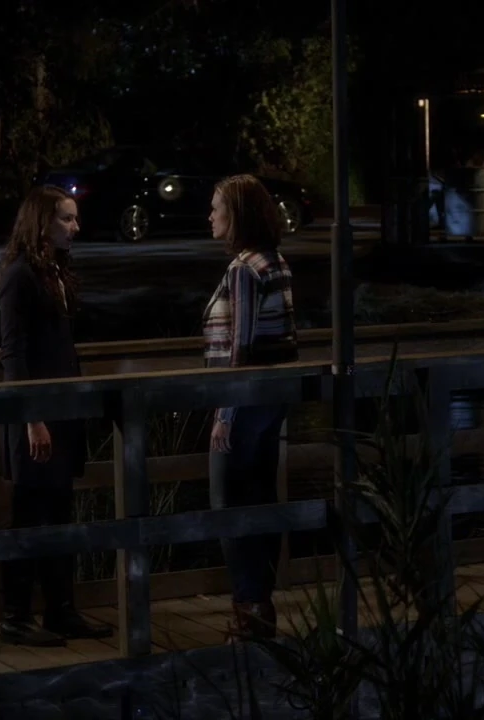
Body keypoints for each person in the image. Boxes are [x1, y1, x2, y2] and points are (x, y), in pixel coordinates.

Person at [0, 184, 112, 646]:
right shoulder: (19, 275)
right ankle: (15, 616)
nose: (75, 227)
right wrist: (32, 417)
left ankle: (60, 610)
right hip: (38, 414)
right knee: (29, 514)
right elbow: (14, 352)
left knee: (60, 510)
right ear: (42, 222)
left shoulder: (55, 271)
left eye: (74, 218)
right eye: (66, 218)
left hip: (63, 410)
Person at [203, 174, 299, 641]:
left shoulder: (244, 269)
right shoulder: (275, 261)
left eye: (217, 207)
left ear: (236, 214)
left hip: (243, 401)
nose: (211, 216)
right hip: (271, 399)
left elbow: (241, 345)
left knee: (229, 503)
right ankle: (260, 605)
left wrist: (225, 413)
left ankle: (249, 608)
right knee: (261, 500)